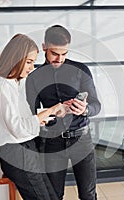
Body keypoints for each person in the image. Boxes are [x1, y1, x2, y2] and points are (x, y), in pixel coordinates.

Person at [0, 34, 64, 200]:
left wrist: (49, 113)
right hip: (17, 152)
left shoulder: (14, 84)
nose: (32, 68)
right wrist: (48, 112)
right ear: (15, 58)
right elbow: (17, 128)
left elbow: (24, 119)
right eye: (29, 62)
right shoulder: (1, 85)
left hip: (27, 149)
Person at [26, 25, 101, 200]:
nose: (59, 59)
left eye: (64, 53)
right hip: (52, 142)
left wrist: (85, 109)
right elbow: (32, 115)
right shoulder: (33, 77)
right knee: (54, 196)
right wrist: (52, 112)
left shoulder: (81, 70)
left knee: (88, 195)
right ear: (44, 46)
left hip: (82, 139)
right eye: (54, 53)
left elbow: (96, 105)